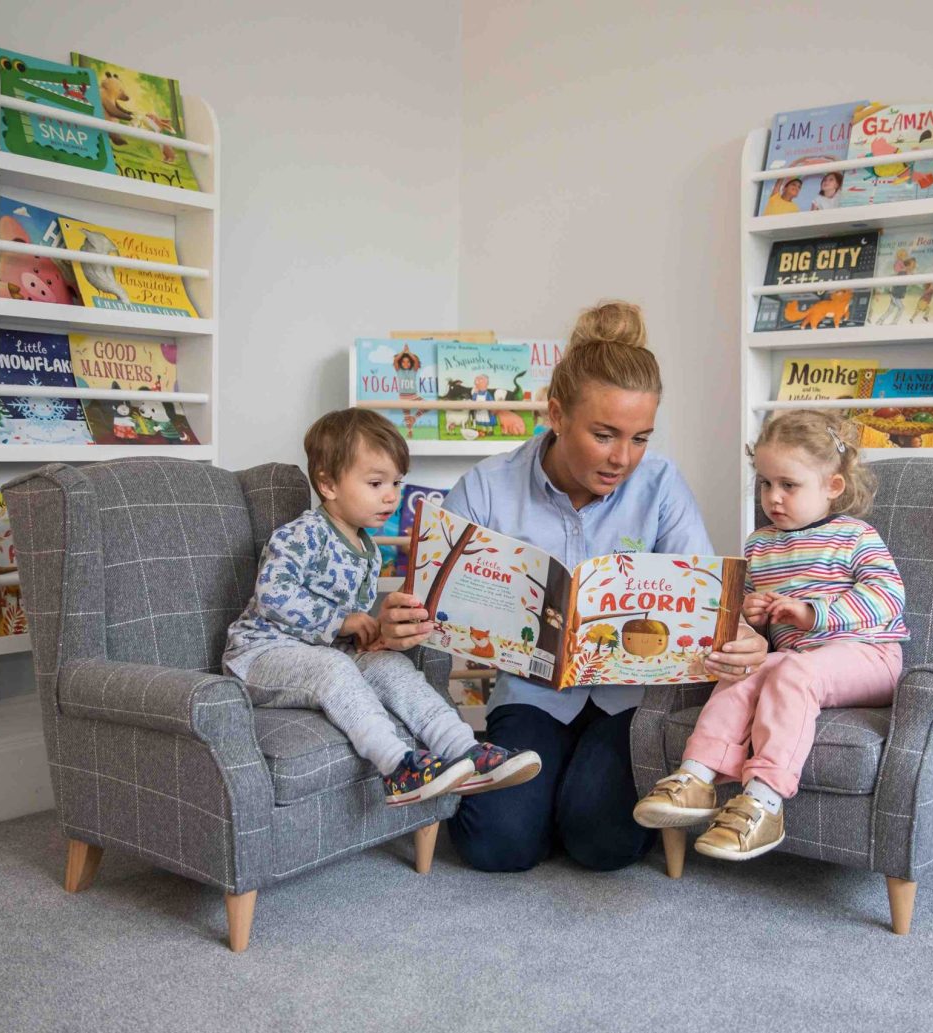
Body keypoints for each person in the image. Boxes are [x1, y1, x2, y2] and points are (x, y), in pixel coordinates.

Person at [374, 301, 769, 872]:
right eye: (604, 434)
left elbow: (707, 606)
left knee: (602, 844)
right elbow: (428, 603)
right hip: (532, 696)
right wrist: (400, 622)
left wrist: (743, 639)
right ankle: (549, 800)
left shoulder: (661, 485)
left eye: (639, 438)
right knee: (496, 848)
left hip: (628, 701)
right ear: (556, 414)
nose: (622, 458)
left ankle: (572, 799)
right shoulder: (487, 487)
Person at [222, 408, 541, 806]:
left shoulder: (369, 550)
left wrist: (369, 633)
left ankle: (465, 748)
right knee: (334, 667)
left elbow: (351, 623)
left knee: (393, 667)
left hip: (323, 653)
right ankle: (397, 767)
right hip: (260, 655)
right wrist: (343, 621)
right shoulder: (303, 534)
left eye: (396, 482)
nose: (391, 495)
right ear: (328, 484)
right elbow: (273, 593)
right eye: (375, 483)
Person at [633, 410, 907, 861]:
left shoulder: (855, 536)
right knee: (744, 673)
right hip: (798, 665)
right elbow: (752, 627)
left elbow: (887, 597)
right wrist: (750, 613)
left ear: (832, 486)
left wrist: (812, 614)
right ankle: (696, 777)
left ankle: (765, 800)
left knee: (794, 672)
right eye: (764, 483)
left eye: (788, 485)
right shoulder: (759, 546)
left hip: (868, 656)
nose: (773, 497)